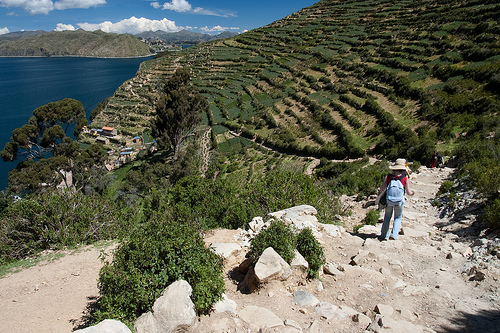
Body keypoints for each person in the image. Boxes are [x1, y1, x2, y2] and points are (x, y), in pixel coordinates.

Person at [378, 158, 414, 240]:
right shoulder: (405, 178)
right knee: (398, 217)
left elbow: (382, 188)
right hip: (399, 202)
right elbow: (408, 192)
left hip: (388, 201)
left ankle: (384, 235)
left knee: (387, 217)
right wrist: (412, 193)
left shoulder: (388, 177)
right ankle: (394, 235)